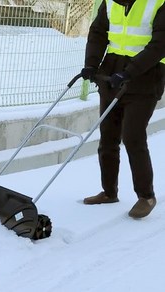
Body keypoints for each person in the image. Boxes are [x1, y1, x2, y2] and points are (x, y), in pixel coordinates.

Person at [81, 0, 165, 218]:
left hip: (147, 74)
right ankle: (109, 192)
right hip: (112, 73)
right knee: (108, 135)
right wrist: (91, 64)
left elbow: (160, 44)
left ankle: (146, 196)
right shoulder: (110, 1)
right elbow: (98, 31)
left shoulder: (159, 3)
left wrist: (130, 71)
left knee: (133, 136)